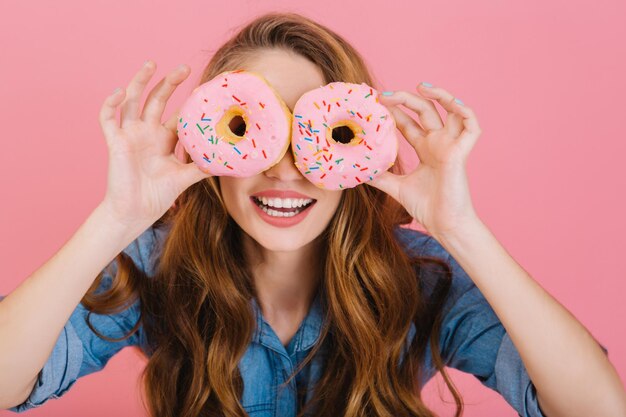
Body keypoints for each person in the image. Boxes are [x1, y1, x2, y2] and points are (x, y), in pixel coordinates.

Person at [0, 11, 623, 417]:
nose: (288, 168)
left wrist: (461, 229)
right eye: (254, 131)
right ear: (211, 144)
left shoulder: (420, 277)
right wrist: (114, 218)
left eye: (315, 135)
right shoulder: (158, 269)